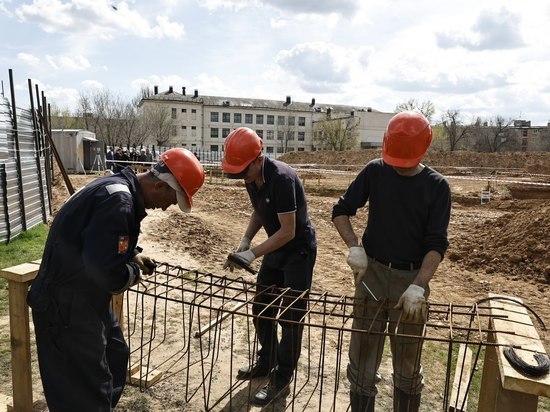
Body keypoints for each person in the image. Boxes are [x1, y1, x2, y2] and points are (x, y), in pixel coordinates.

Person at [27, 148, 205, 412]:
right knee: (85, 390)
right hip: (65, 306)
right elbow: (107, 274)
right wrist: (132, 273)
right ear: (158, 185)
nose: (168, 207)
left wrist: (132, 254)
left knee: (115, 354)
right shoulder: (119, 201)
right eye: (173, 198)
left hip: (83, 297)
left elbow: (94, 238)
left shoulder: (118, 189)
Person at [331, 111, 451, 412]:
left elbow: (436, 243)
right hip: (371, 275)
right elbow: (341, 210)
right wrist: (354, 247)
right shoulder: (375, 171)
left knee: (408, 368)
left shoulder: (437, 187)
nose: (399, 168)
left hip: (409, 282)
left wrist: (419, 286)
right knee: (362, 361)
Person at [221, 127, 317, 406]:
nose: (241, 177)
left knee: (290, 315)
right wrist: (245, 240)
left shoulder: (283, 179)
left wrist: (252, 254)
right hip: (275, 247)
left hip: (297, 249)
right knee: (262, 307)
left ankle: (282, 377)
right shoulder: (251, 177)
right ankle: (267, 361)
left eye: (243, 170)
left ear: (257, 158)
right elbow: (260, 210)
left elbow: (288, 231)